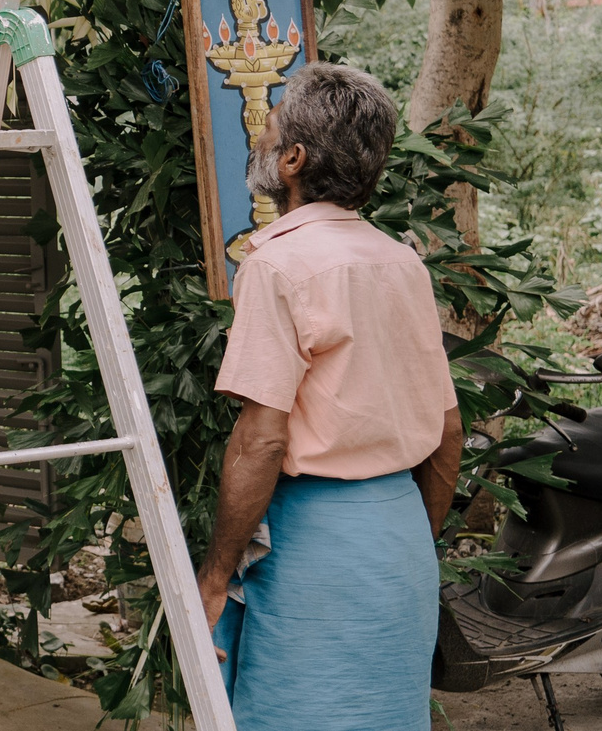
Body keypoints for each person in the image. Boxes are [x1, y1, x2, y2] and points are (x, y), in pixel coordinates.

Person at [195, 62, 463, 729]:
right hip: (397, 537)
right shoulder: (401, 263)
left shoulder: (278, 265)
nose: (262, 128)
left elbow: (262, 437)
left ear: (292, 159)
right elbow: (447, 430)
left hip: (315, 551)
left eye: (274, 118)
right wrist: (409, 536)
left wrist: (217, 574)